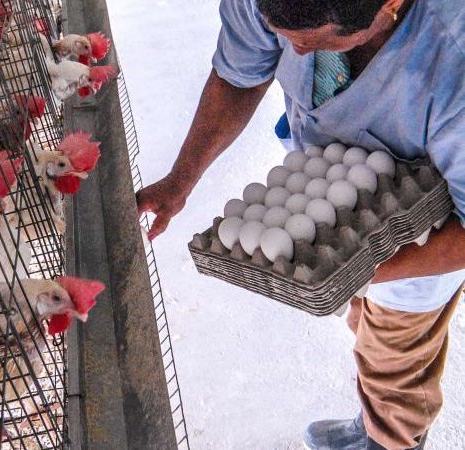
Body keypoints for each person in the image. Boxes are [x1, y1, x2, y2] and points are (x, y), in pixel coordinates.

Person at [135, 0, 465, 449]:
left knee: (396, 361)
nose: (299, 53)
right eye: (285, 35)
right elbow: (239, 75)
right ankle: (371, 417)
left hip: (425, 246)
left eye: (315, 40)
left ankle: (391, 437)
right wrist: (181, 179)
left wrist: (367, 268)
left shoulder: (454, 64)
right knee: (363, 328)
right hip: (342, 201)